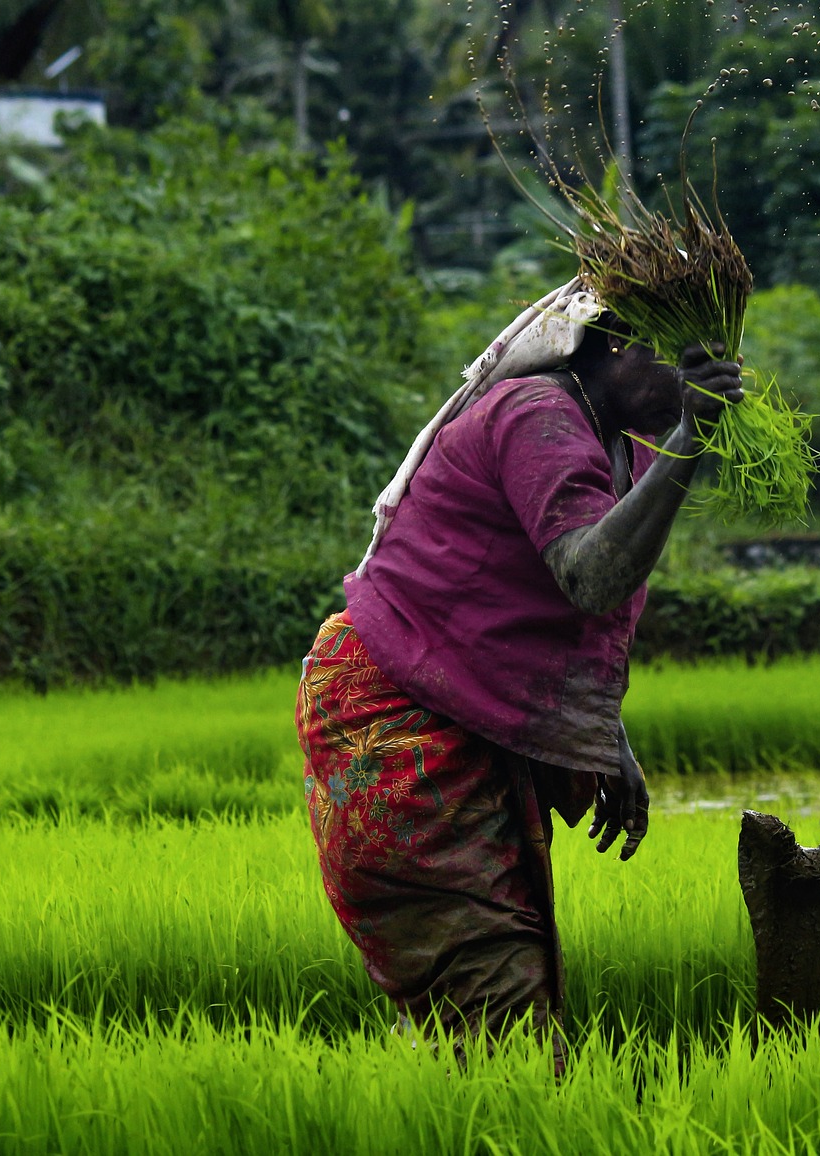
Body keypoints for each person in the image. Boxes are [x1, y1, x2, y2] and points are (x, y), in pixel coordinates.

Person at [295, 279, 743, 1060]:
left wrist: (605, 738)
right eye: (683, 358)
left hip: (452, 702)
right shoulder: (536, 415)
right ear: (618, 344)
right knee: (499, 1014)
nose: (699, 375)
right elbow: (589, 577)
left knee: (483, 1013)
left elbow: (530, 617)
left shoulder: (617, 440)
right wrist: (691, 442)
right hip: (395, 716)